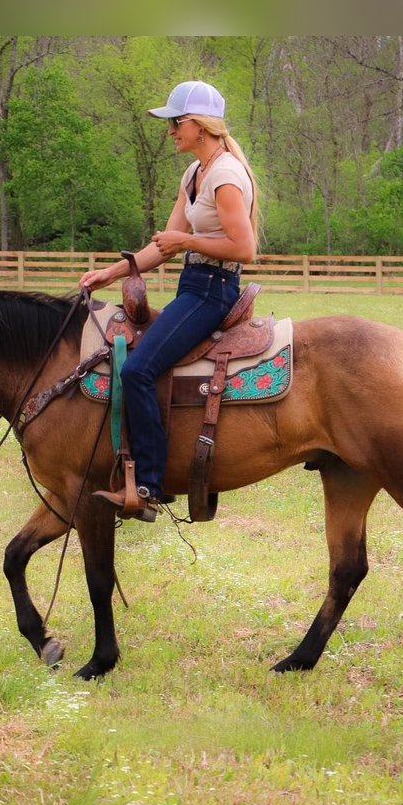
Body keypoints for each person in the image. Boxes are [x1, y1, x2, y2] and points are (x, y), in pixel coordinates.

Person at [79, 80, 258, 521]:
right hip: (192, 284)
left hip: (213, 289)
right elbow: (163, 246)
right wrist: (113, 271)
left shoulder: (225, 175)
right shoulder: (194, 174)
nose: (170, 132)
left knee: (138, 370)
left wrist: (186, 240)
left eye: (175, 123)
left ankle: (149, 484)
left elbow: (244, 248)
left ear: (198, 124)